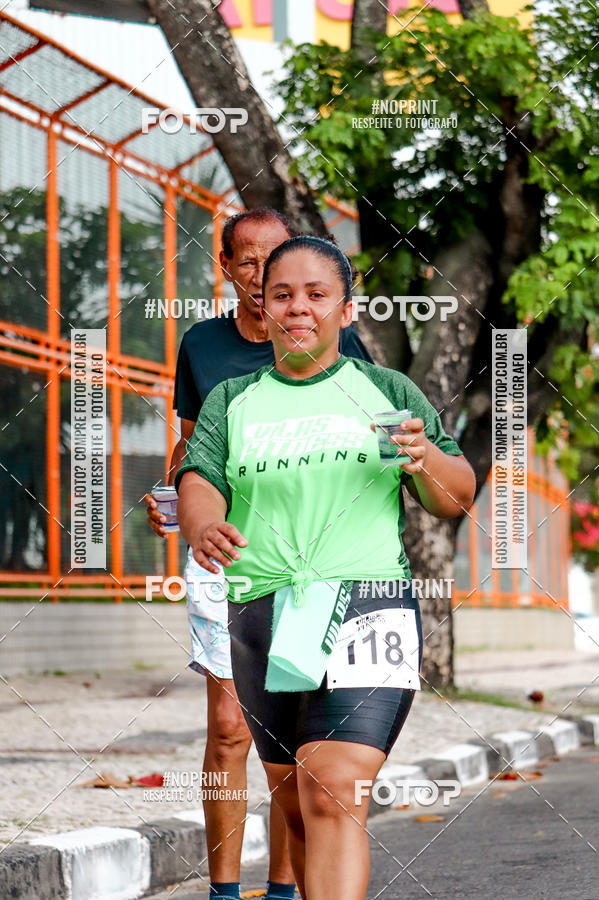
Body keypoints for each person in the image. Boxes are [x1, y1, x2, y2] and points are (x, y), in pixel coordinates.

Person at [176, 235, 476, 899]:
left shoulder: (384, 390)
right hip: (261, 612)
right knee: (295, 806)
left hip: (369, 605)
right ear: (264, 304)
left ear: (346, 310)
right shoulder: (233, 399)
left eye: (318, 294)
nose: (298, 307)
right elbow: (199, 477)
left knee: (333, 788)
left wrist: (426, 458)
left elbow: (455, 495)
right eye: (282, 294)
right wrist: (201, 523)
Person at [144, 210, 372, 900]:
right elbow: (192, 445)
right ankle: (221, 891)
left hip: (304, 558)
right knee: (226, 728)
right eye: (246, 261)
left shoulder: (338, 340)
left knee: (285, 736)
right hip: (223, 553)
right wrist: (174, 497)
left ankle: (278, 888)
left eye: (273, 259)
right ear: (227, 267)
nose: (260, 273)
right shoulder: (202, 345)